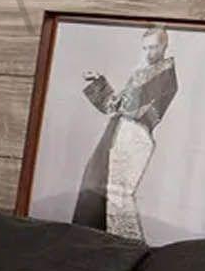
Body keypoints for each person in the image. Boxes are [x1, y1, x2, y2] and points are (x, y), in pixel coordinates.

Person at [73, 27, 178, 239]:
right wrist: (99, 81)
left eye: (154, 47)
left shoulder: (164, 75)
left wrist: (119, 88)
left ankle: (125, 247)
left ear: (164, 46)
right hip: (120, 131)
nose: (149, 53)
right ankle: (95, 242)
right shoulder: (145, 72)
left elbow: (131, 109)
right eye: (145, 48)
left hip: (133, 136)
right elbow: (114, 106)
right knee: (98, 185)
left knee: (118, 195)